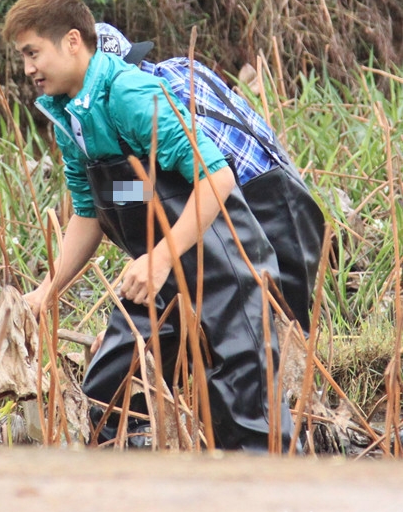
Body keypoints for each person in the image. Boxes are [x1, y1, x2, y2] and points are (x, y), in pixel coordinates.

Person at [3, 0, 292, 451]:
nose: (27, 69)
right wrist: (48, 290)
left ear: (73, 41)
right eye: (23, 57)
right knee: (106, 393)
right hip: (158, 281)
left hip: (225, 273)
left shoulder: (130, 95)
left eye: (32, 53)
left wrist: (158, 260)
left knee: (248, 421)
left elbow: (216, 177)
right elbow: (93, 210)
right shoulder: (70, 116)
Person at [94, 22, 325, 332]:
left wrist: (107, 199)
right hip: (278, 188)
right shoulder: (177, 67)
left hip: (263, 199)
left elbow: (173, 185)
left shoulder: (144, 101)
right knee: (257, 331)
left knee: (279, 328)